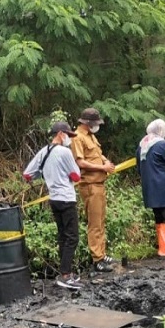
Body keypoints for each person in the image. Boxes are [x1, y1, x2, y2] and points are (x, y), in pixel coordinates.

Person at [23, 122, 82, 289]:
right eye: (68, 135)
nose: (69, 139)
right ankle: (65, 275)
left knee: (63, 235)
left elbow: (27, 174)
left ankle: (64, 273)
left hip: (54, 199)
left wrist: (46, 174)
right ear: (61, 134)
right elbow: (76, 176)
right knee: (72, 237)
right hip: (66, 198)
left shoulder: (44, 151)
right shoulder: (65, 152)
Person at [70, 108, 116, 273]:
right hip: (89, 185)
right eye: (95, 123)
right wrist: (102, 167)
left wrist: (106, 162)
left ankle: (102, 254)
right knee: (94, 223)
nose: (97, 126)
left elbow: (98, 154)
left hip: (99, 184)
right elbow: (81, 163)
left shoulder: (91, 136)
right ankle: (97, 259)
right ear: (88, 123)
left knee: (101, 221)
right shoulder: (77, 138)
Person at [135, 119, 165, 260]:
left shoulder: (141, 146)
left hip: (149, 189)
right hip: (164, 187)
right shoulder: (162, 144)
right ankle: (164, 249)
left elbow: (139, 168)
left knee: (159, 217)